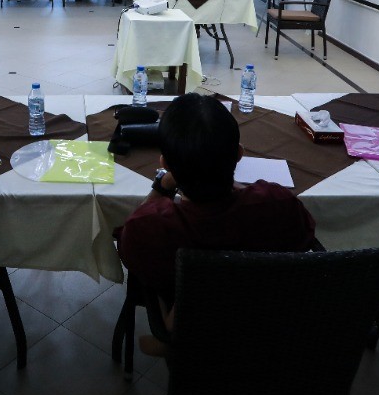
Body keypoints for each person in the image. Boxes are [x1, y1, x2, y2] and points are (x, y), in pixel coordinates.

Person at [117, 93, 317, 310]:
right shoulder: (279, 205)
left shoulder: (147, 228)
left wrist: (162, 185)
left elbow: (132, 256)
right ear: (238, 154)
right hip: (267, 318)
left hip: (191, 321)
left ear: (165, 164)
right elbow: (304, 239)